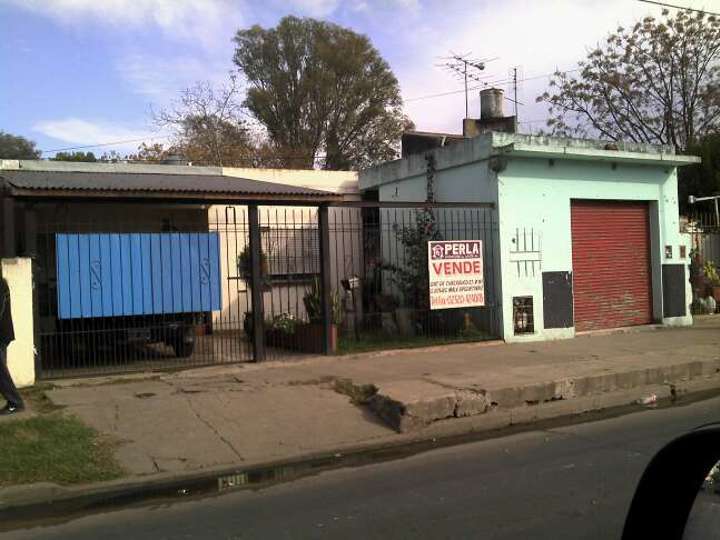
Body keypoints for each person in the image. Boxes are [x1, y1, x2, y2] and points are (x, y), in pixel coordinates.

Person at [0, 272, 23, 415]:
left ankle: (15, 402)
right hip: (3, 332)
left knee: (1, 372)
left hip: (1, 333)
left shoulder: (1, 285)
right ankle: (13, 401)